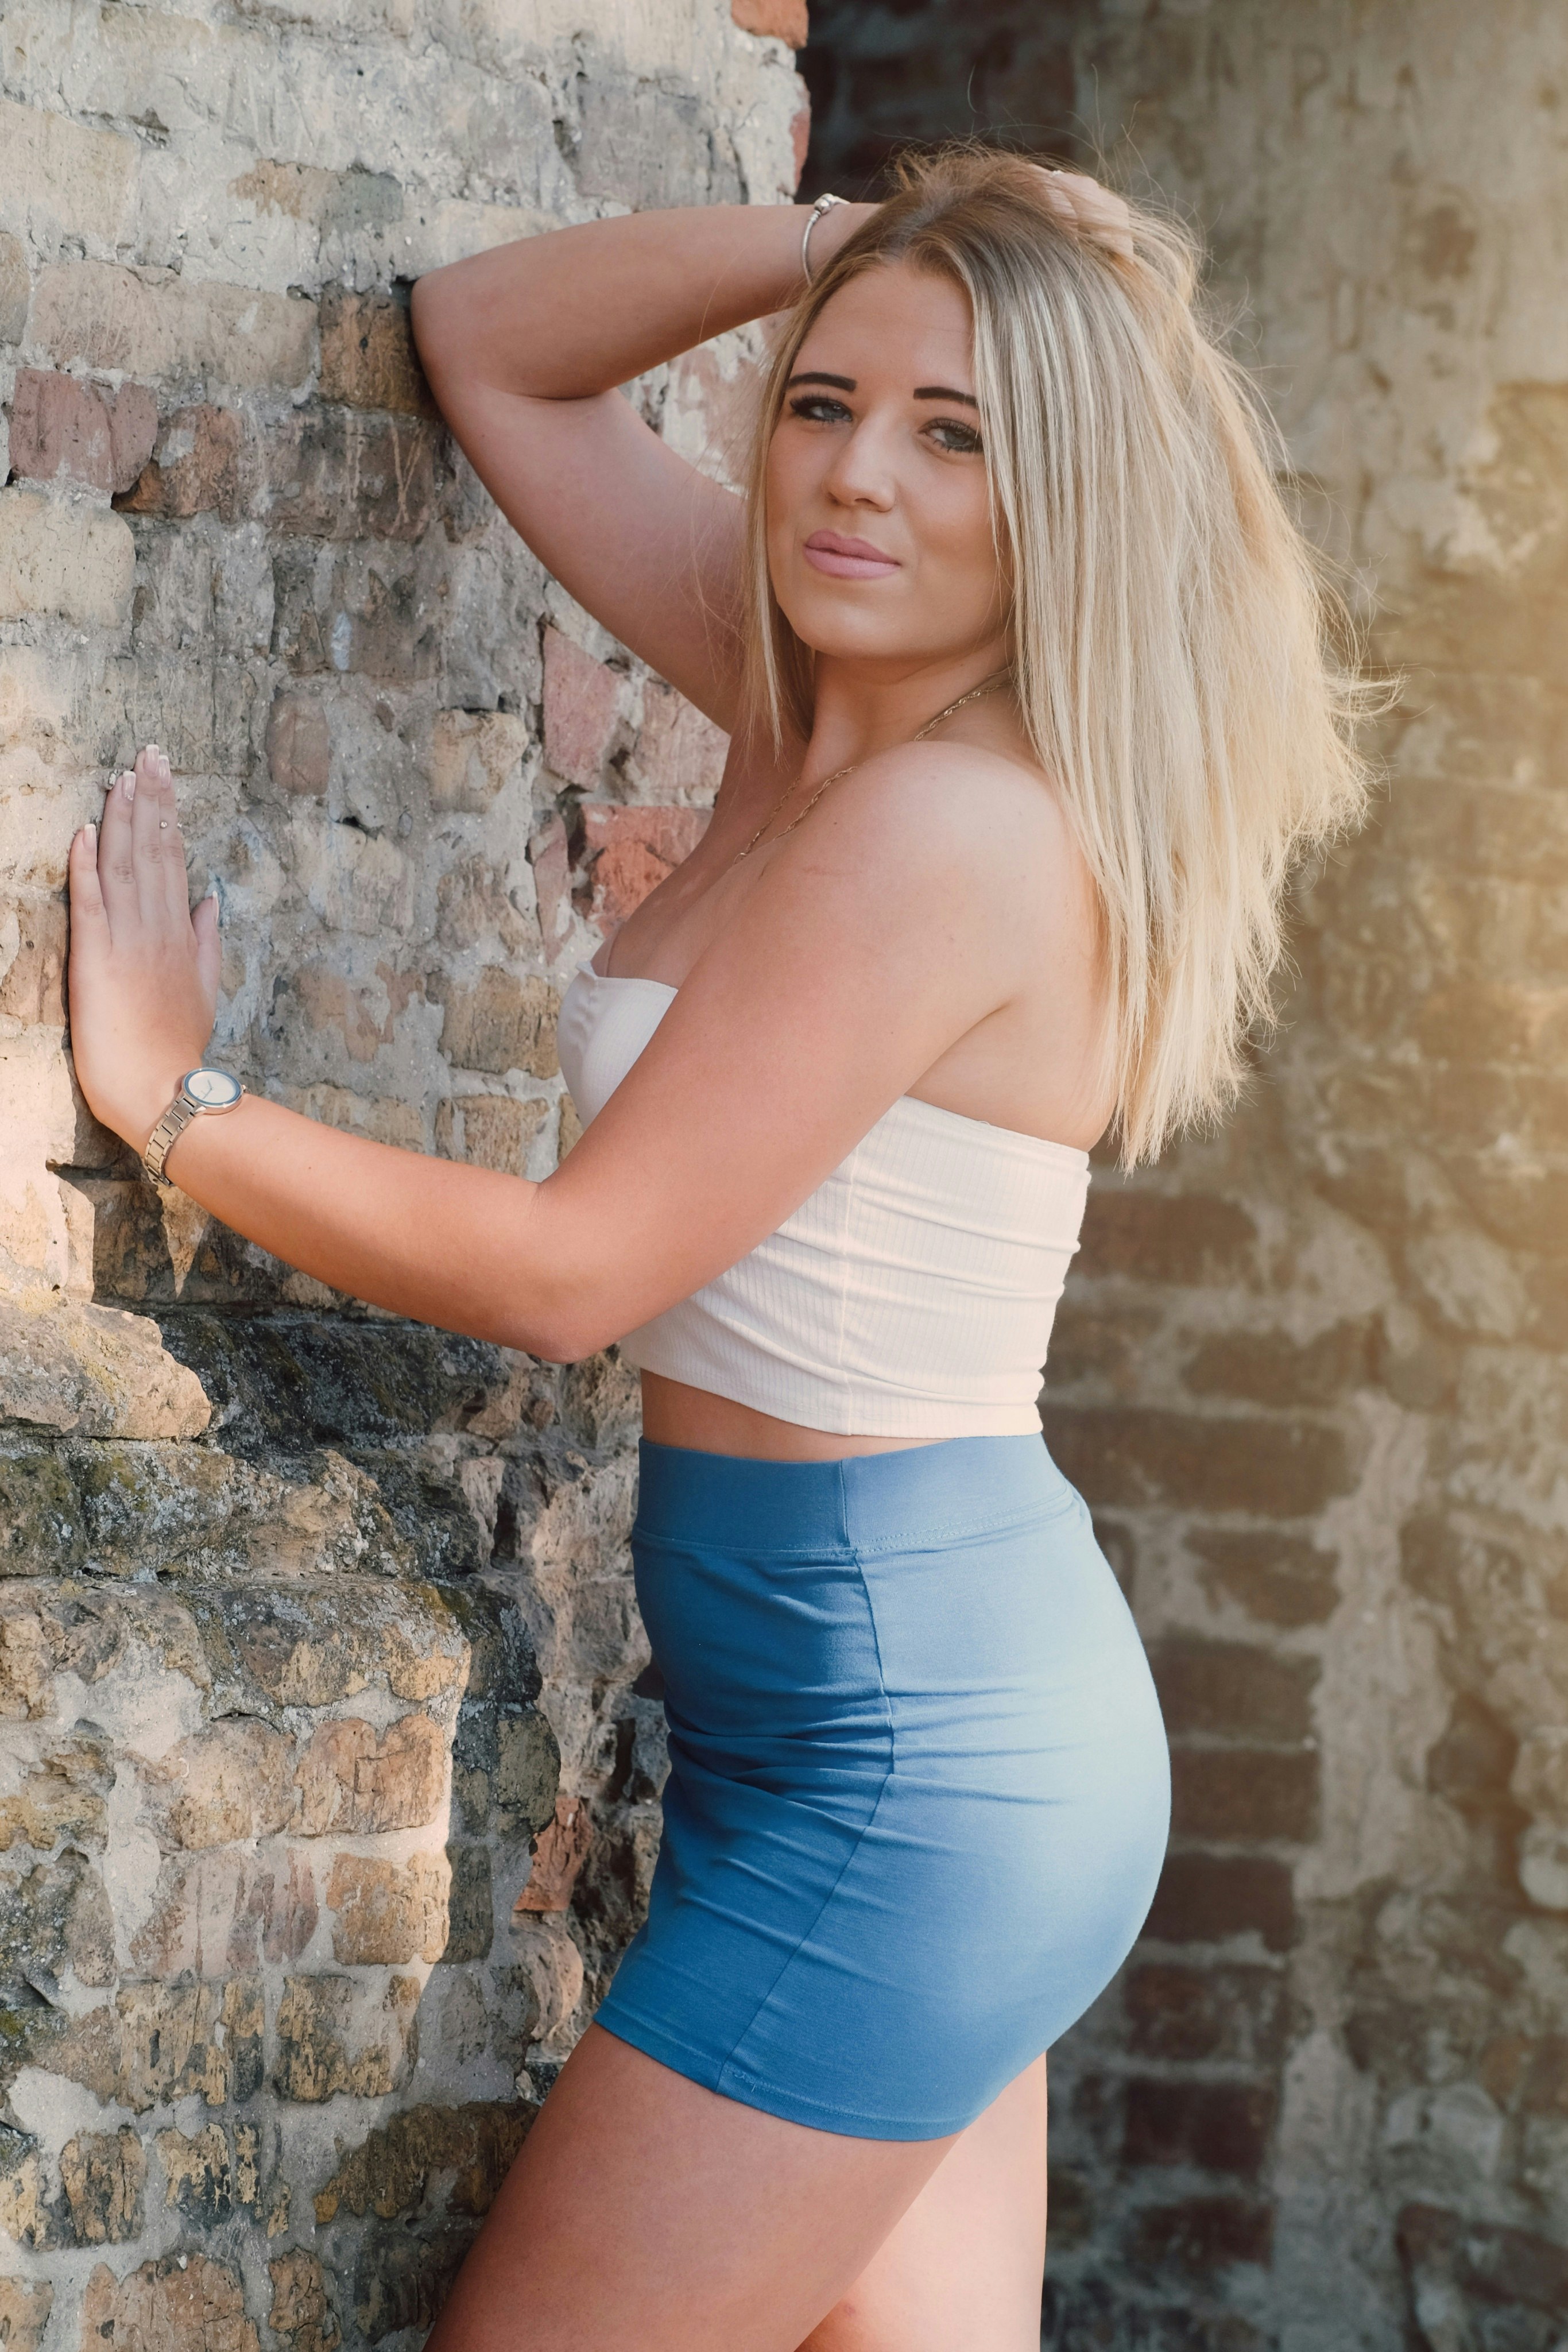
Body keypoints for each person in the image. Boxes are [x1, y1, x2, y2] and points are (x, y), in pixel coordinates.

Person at [66, 148, 1369, 2352]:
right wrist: (861, 244)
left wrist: (175, 1105)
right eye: (823, 403)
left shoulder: (948, 829)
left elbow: (579, 1272)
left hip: (915, 1764)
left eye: (955, 434)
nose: (861, 477)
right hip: (885, 1725)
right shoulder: (814, 717)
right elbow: (489, 343)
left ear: (1059, 493)